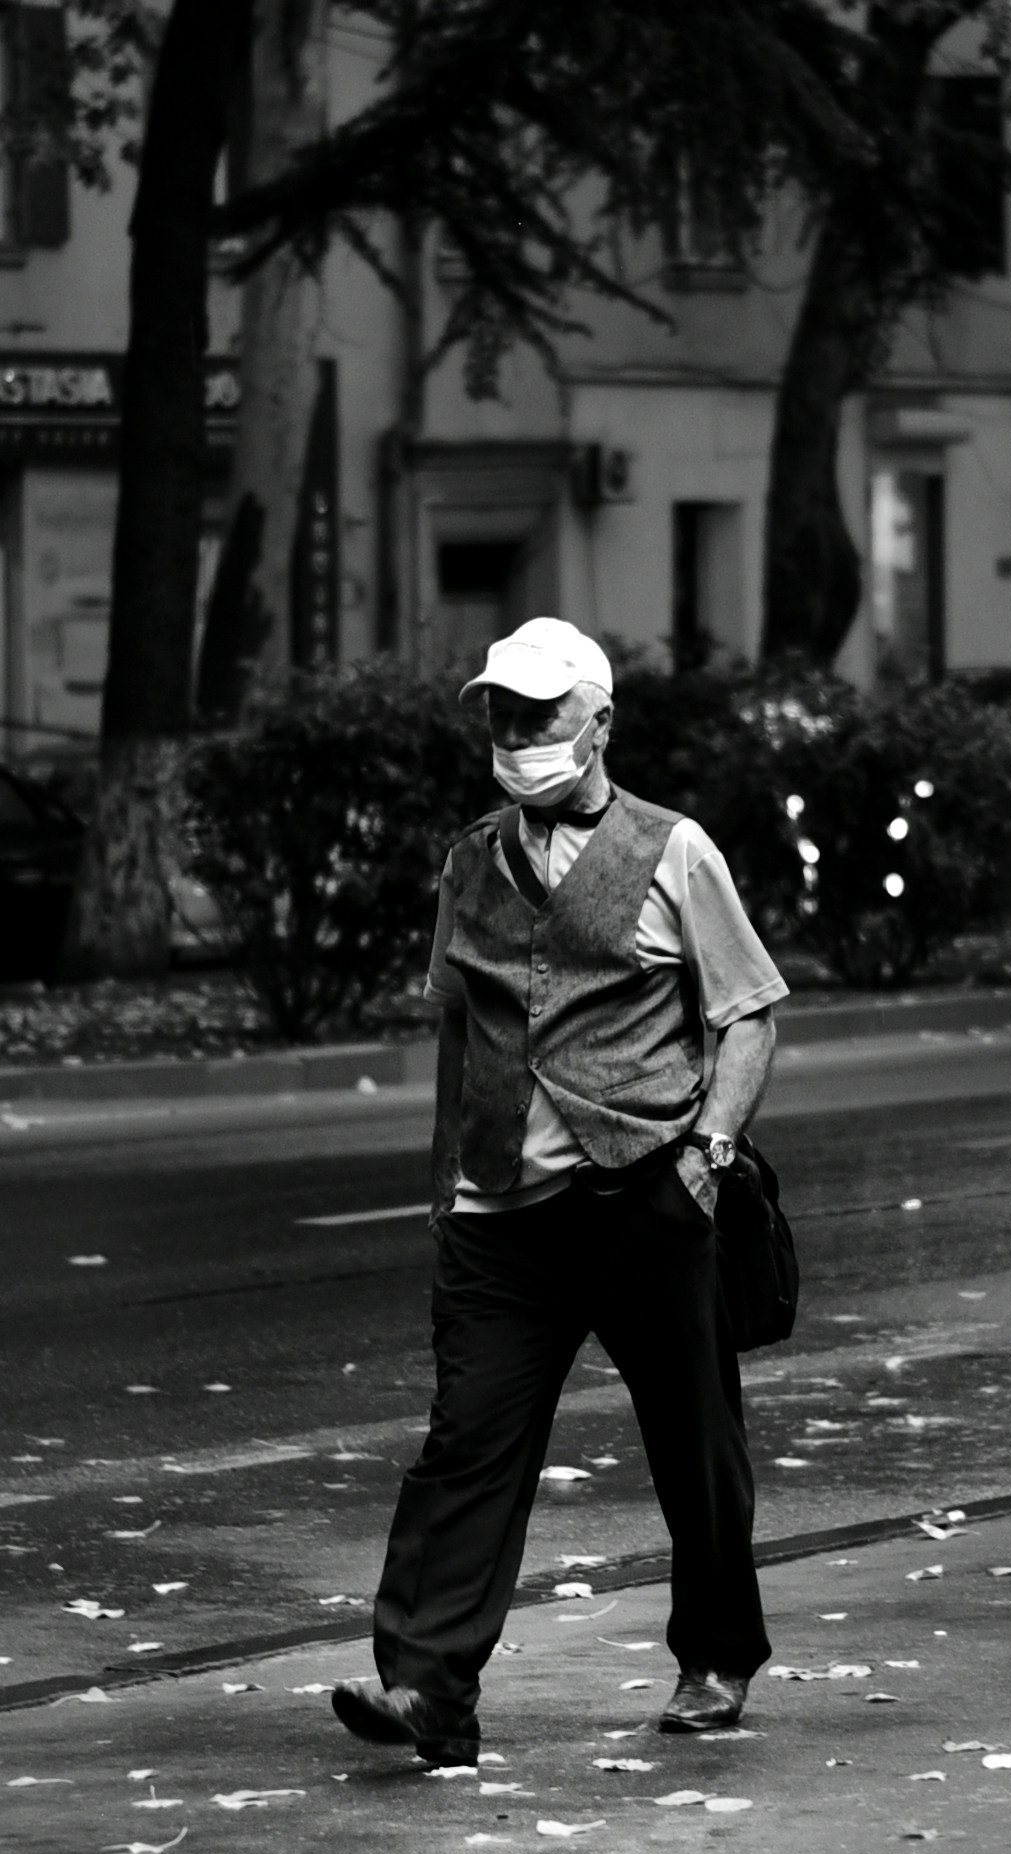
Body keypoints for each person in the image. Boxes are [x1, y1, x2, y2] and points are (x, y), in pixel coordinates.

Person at [330, 617, 787, 1768]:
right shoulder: (468, 858)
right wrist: (442, 1188)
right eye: (501, 712)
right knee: (463, 1447)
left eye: (538, 713)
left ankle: (716, 1654)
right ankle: (427, 1688)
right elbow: (460, 1028)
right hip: (500, 1219)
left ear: (598, 722)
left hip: (643, 1197)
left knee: (694, 1445)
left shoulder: (674, 849)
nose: (515, 731)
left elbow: (747, 1014)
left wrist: (706, 1156)